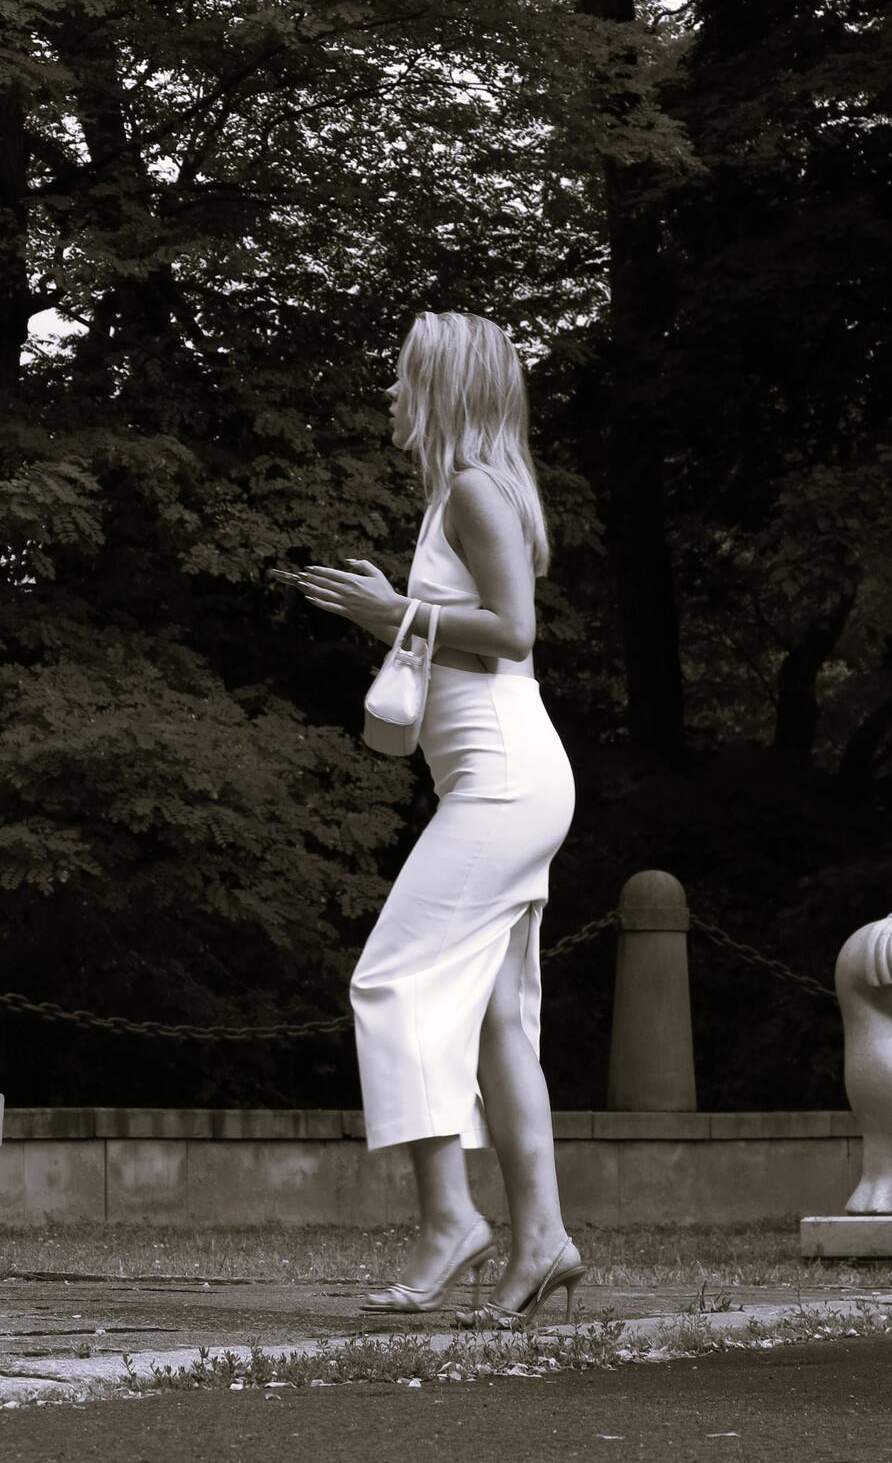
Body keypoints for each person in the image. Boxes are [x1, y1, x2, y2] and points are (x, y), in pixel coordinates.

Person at [274, 311, 582, 1327]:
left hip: (502, 776)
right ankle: (544, 1240)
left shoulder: (477, 488)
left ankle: (452, 1220)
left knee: (392, 980)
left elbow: (513, 632)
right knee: (496, 1019)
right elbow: (475, 632)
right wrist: (396, 612)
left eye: (406, 376)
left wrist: (391, 613)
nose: (392, 392)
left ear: (446, 386)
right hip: (503, 775)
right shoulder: (466, 491)